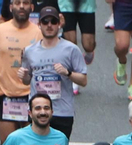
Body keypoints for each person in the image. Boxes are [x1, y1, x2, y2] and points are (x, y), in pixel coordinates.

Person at [19, 7, 86, 137]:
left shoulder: (71, 49)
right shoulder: (29, 51)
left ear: (59, 24)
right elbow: (27, 81)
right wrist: (24, 76)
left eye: (53, 21)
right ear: (39, 25)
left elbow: (83, 80)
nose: (49, 25)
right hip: (38, 111)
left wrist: (68, 73)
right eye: (45, 22)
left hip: (62, 111)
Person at [0, 0, 40, 142]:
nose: (21, 6)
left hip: (31, 96)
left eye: (25, 3)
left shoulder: (39, 32)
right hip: (5, 95)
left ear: (31, 7)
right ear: (10, 7)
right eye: (17, 3)